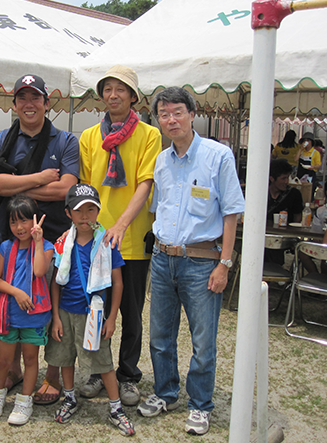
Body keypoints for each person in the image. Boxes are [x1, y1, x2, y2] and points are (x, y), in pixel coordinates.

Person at [137, 87, 245, 436]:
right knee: (161, 335)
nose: (171, 119)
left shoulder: (218, 155)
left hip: (202, 261)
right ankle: (165, 393)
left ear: (192, 113)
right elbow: (159, 209)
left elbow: (232, 212)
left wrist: (224, 264)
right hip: (163, 256)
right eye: (164, 114)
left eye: (177, 112)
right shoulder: (162, 161)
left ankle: (200, 404)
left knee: (203, 339)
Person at [0, 74, 79, 403]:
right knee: (7, 299)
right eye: (22, 98)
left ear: (46, 103)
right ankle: (9, 365)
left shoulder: (65, 140)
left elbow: (66, 188)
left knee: (52, 302)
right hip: (8, 237)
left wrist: (13, 182)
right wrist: (38, 180)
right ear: (14, 105)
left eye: (35, 97)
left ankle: (51, 372)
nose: (29, 104)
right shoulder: (0, 140)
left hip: (51, 235)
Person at [78, 65, 162, 406]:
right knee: (97, 307)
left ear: (133, 97)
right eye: (108, 89)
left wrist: (122, 225)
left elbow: (146, 183)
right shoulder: (88, 137)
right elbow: (87, 189)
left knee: (131, 310)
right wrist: (92, 229)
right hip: (98, 238)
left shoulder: (149, 135)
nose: (113, 95)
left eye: (120, 89)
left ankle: (128, 375)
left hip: (132, 237)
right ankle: (99, 371)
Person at [45, 184, 135, 436]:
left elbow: (118, 283)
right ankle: (70, 397)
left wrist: (112, 317)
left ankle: (116, 407)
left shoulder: (107, 243)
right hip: (64, 311)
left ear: (98, 210)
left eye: (91, 209)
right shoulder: (62, 243)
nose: (85, 216)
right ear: (68, 213)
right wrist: (55, 317)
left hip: (93, 313)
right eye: (79, 210)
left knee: (102, 361)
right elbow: (56, 282)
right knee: (65, 357)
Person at [0, 195, 54, 425]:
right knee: (3, 360)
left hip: (34, 316)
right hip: (9, 314)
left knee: (31, 358)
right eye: (13, 222)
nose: (19, 227)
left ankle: (24, 401)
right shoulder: (6, 247)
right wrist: (16, 292)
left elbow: (38, 271)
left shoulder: (46, 246)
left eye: (24, 221)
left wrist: (37, 242)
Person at [267, 159, 303, 224]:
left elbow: (297, 218)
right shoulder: (262, 194)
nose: (286, 181)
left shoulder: (294, 194)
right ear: (271, 178)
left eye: (288, 178)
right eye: (283, 178)